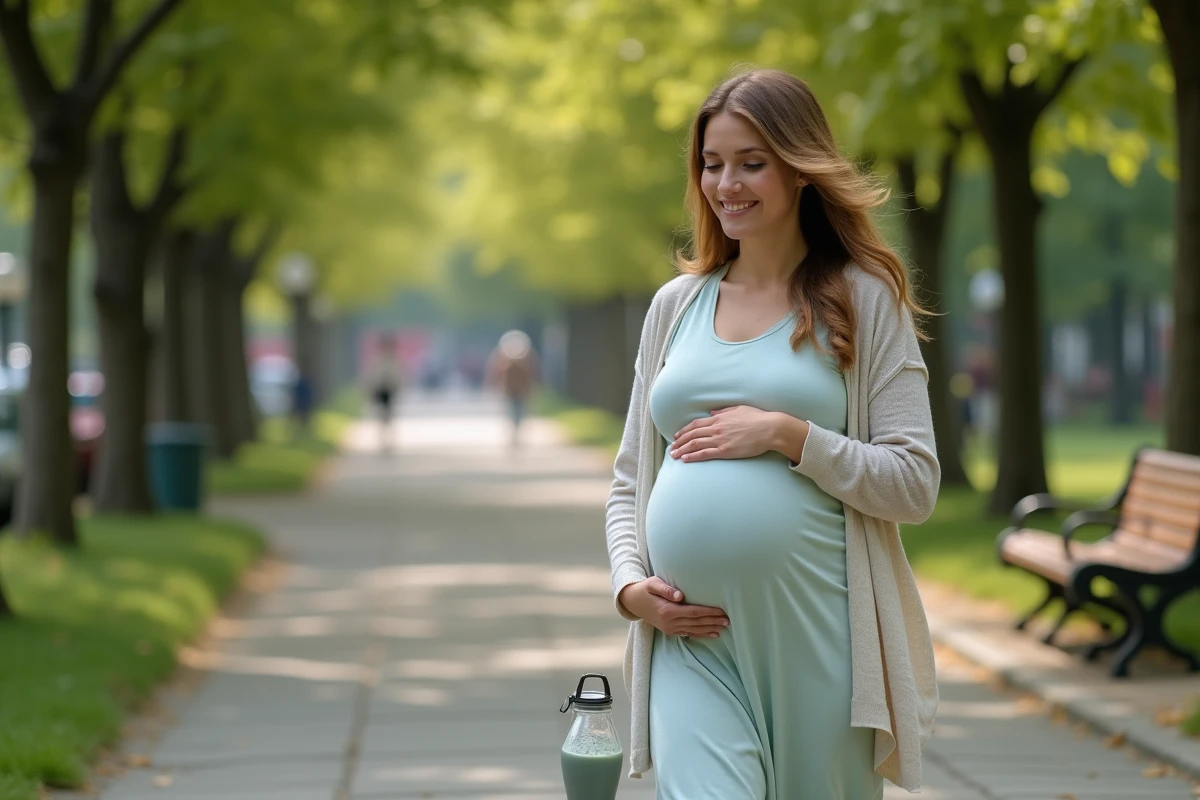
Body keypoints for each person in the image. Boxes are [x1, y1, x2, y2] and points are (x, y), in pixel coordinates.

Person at [605, 68, 941, 799]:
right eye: (712, 163)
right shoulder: (675, 306)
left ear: (801, 170)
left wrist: (790, 434)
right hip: (694, 648)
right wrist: (631, 587)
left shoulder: (862, 300)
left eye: (751, 163)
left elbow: (914, 483)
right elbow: (633, 477)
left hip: (821, 645)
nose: (727, 183)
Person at [485, 330, 540, 447]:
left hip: (521, 390)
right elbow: (495, 372)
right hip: (510, 390)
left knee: (519, 412)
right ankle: (514, 430)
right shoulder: (502, 358)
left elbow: (534, 373)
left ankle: (516, 430)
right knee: (513, 412)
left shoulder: (527, 358)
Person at [364, 334, 401, 451]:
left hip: (390, 391)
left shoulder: (394, 361)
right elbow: (371, 377)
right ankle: (383, 440)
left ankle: (388, 440)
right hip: (380, 391)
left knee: (389, 416)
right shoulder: (377, 361)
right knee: (382, 416)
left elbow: (399, 377)